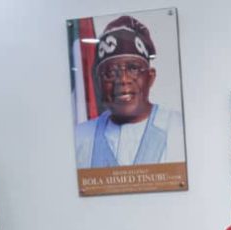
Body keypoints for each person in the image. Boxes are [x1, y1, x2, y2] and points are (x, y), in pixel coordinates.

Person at [74, 15, 185, 168]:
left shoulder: (178, 128)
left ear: (150, 77)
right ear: (98, 83)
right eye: (110, 73)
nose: (123, 80)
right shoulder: (80, 137)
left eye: (133, 69)